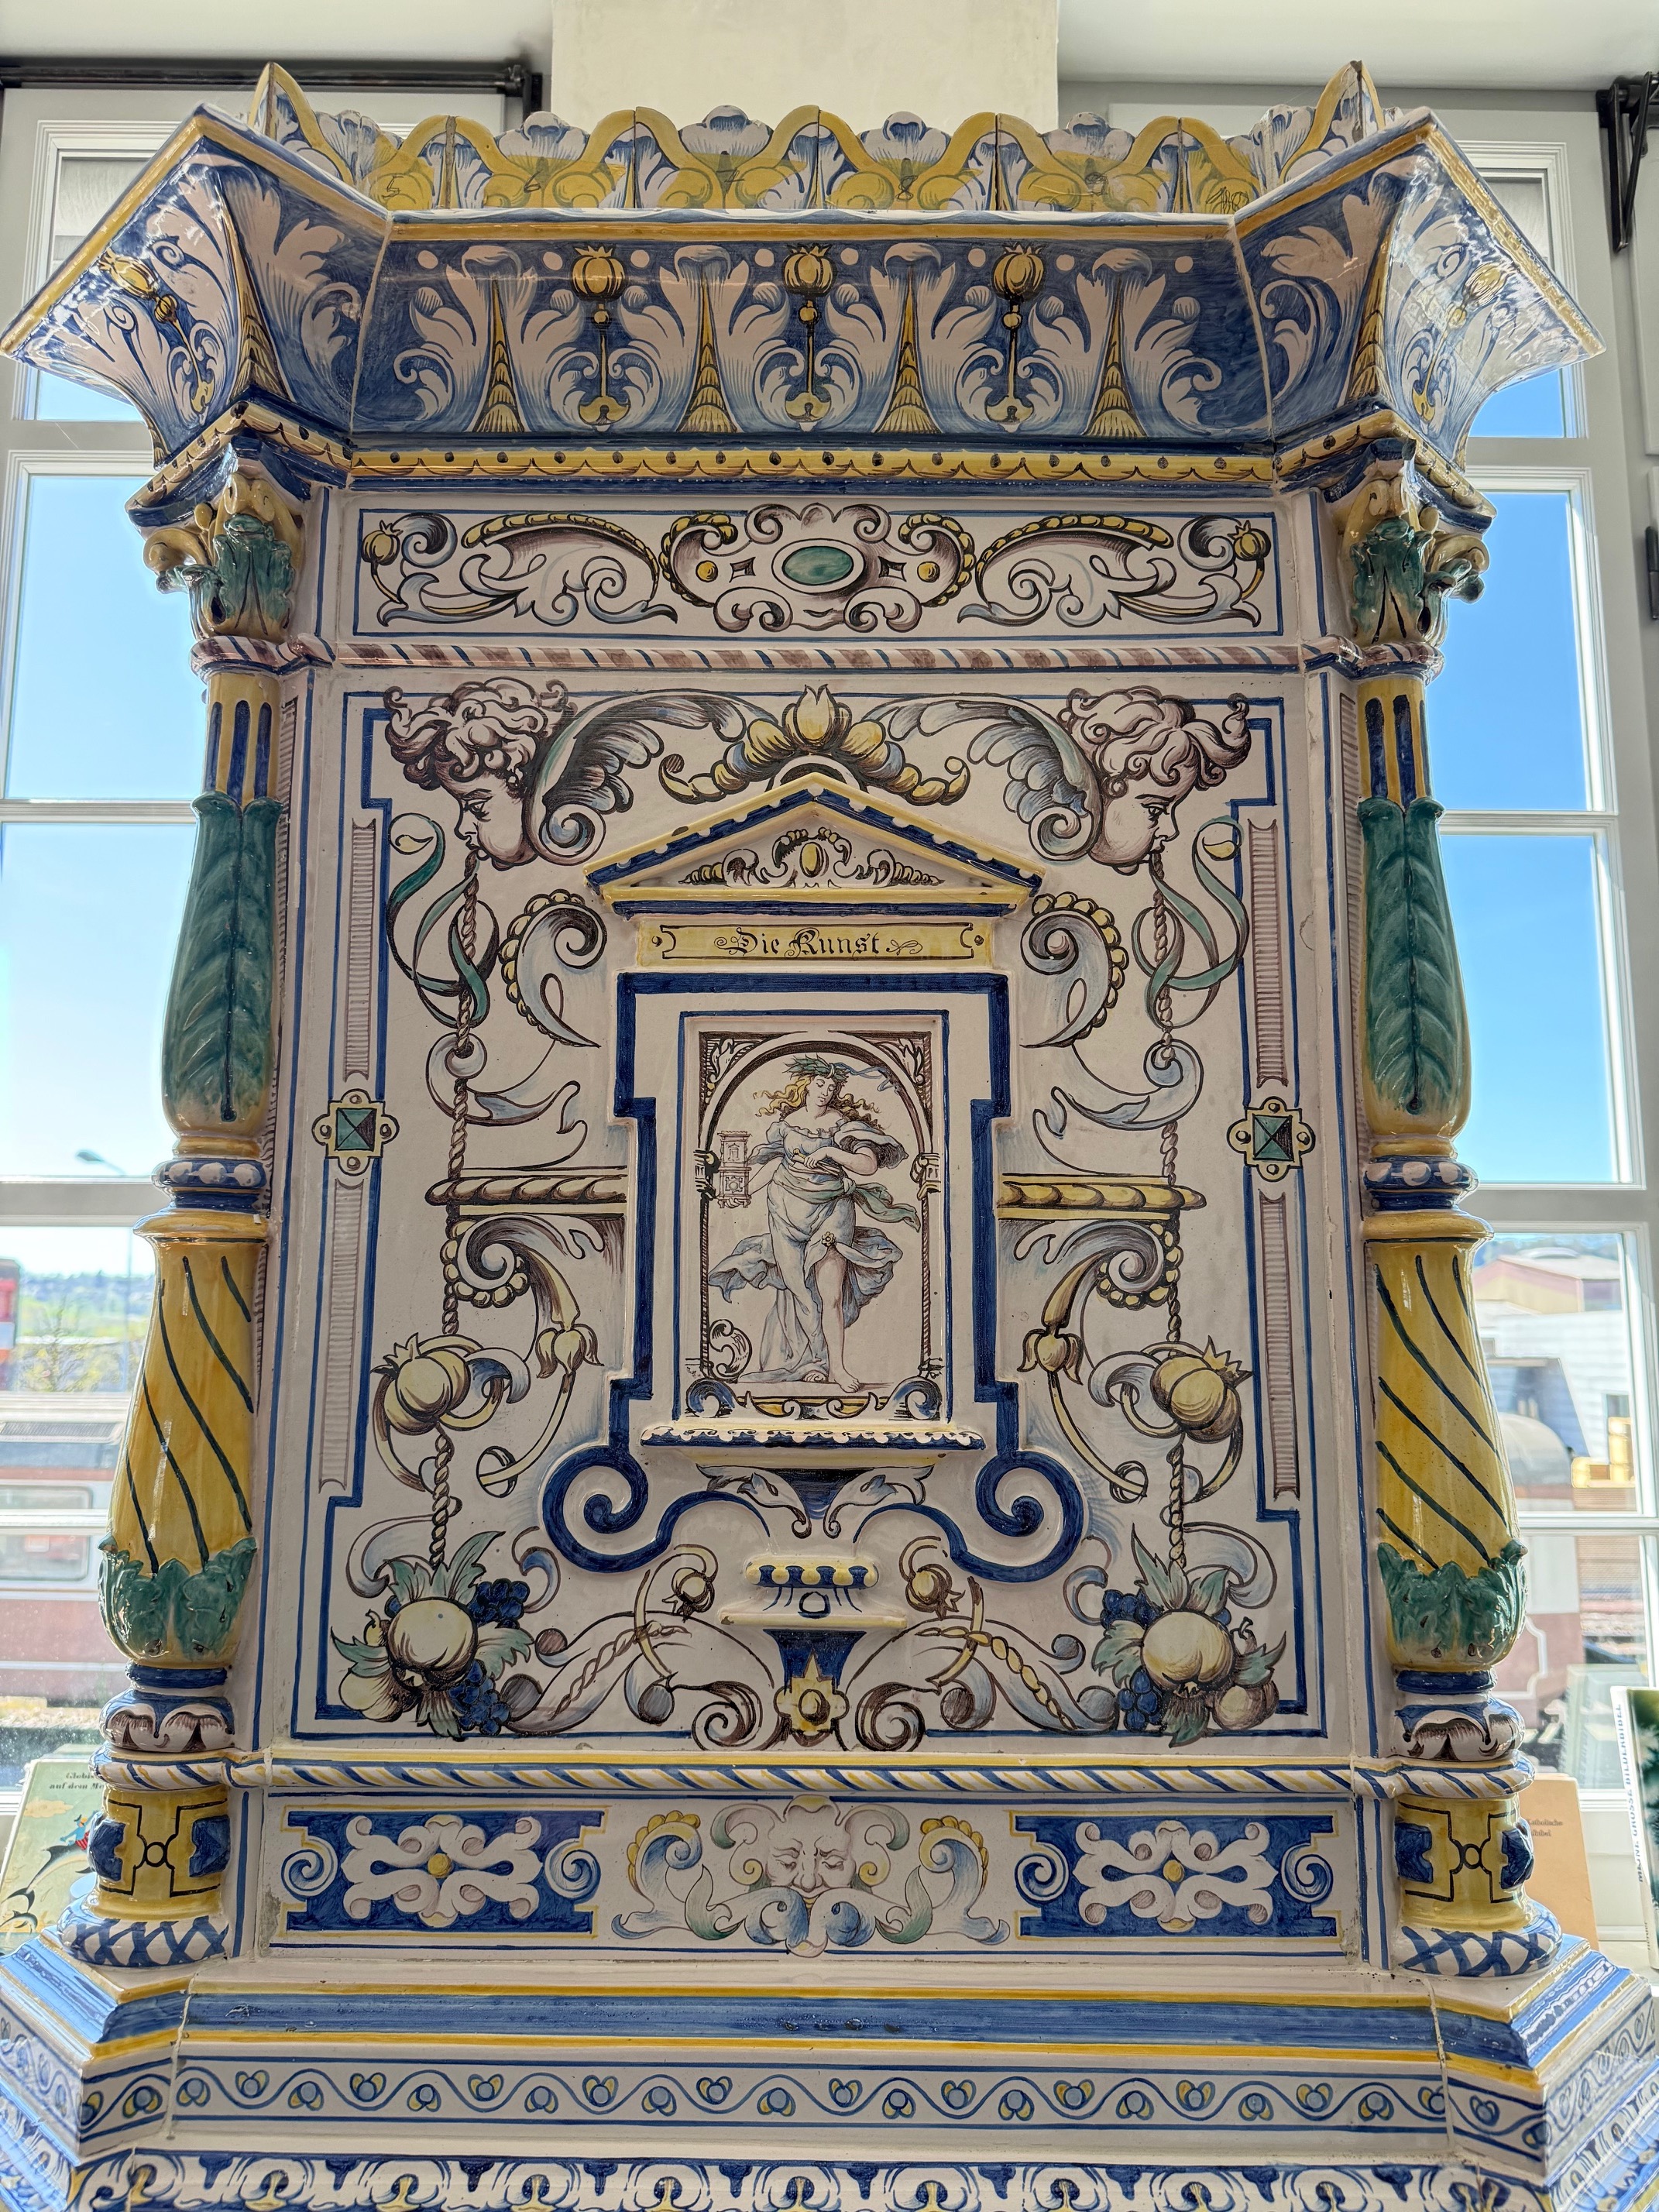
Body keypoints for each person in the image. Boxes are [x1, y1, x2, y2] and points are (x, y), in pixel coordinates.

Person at [708, 1056, 917, 1392]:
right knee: (801, 1294)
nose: (825, 1092)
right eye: (820, 1084)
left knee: (829, 1294)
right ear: (806, 1084)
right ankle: (816, 1361)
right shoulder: (786, 1125)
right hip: (785, 1212)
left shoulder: (843, 1127)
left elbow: (867, 1165)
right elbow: (773, 1165)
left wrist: (831, 1154)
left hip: (832, 1211)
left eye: (831, 1087)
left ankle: (838, 1368)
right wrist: (739, 1192)